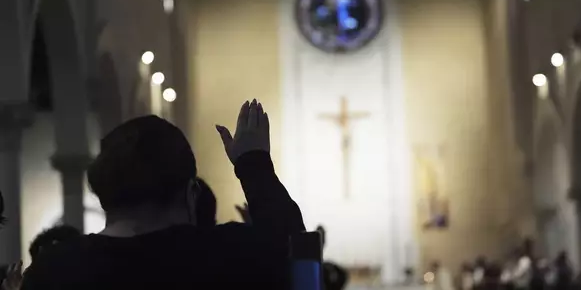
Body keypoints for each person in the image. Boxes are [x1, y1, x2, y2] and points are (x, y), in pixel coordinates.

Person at [22, 100, 305, 290]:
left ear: (102, 191)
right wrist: (253, 163)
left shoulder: (52, 271)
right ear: (191, 193)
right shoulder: (228, 254)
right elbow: (294, 248)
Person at [318, 225, 348, 290]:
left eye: (322, 238)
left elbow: (344, 276)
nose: (321, 241)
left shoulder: (331, 268)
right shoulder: (328, 267)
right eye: (320, 238)